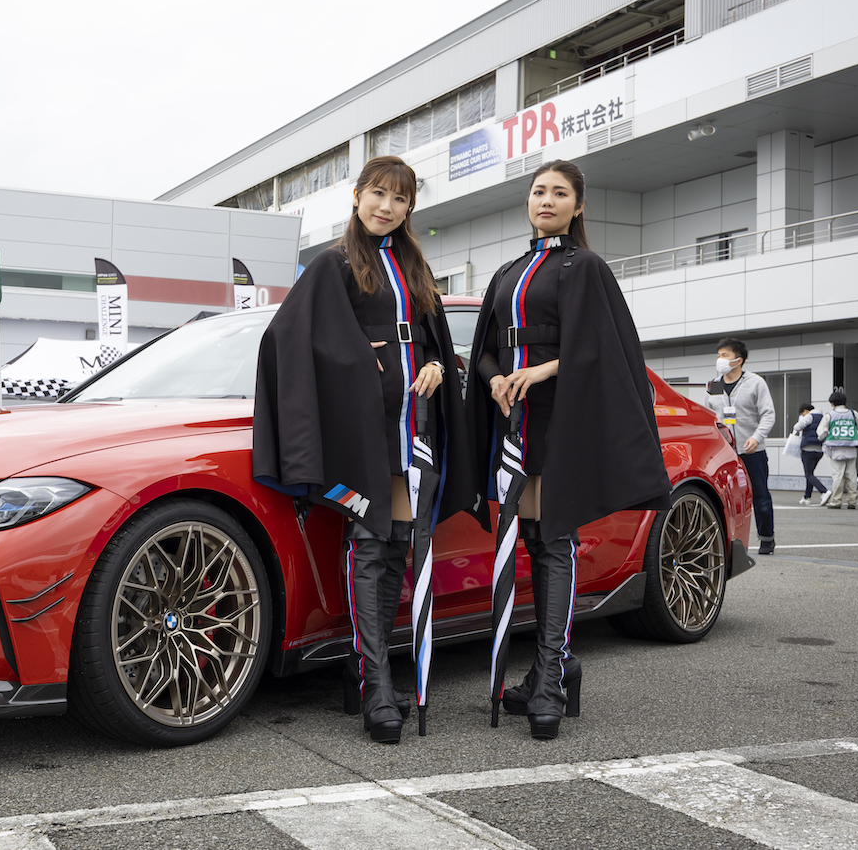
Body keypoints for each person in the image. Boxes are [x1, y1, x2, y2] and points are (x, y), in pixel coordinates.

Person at [254, 155, 486, 745]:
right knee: (370, 541)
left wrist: (436, 365)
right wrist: (361, 357)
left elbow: (432, 339)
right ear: (356, 196)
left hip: (417, 424)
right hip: (364, 430)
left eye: (400, 198)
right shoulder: (332, 265)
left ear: (410, 209)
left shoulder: (414, 266)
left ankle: (374, 671)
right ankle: (375, 683)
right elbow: (286, 339)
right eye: (378, 193)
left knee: (398, 543)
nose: (387, 206)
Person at [467, 159, 670, 741]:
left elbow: (602, 347)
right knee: (530, 540)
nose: (547, 200)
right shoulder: (507, 271)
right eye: (539, 191)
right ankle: (552, 667)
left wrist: (541, 370)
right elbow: (486, 345)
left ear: (578, 206)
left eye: (560, 193)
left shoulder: (586, 267)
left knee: (553, 540)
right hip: (513, 422)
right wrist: (494, 378)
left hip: (562, 420)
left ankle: (550, 678)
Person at [705, 338, 775, 553]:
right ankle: (727, 543)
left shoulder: (755, 382)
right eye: (719, 355)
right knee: (725, 499)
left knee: (760, 497)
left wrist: (757, 437)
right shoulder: (713, 385)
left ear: (739, 360)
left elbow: (768, 414)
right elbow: (710, 417)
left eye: (724, 355)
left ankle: (766, 539)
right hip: (725, 453)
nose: (720, 359)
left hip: (752, 451)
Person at [817, 391, 858, 509]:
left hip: (835, 449)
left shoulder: (829, 415)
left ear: (832, 403)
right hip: (851, 448)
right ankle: (852, 501)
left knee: (838, 475)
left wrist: (823, 438)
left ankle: (836, 501)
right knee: (851, 476)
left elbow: (822, 433)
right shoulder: (854, 414)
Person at [788, 402, 827, 505]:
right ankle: (807, 497)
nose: (803, 416)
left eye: (802, 414)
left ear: (805, 410)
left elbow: (797, 426)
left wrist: (800, 426)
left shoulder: (809, 416)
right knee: (810, 474)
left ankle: (824, 491)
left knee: (808, 474)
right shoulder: (823, 417)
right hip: (819, 449)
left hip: (808, 449)